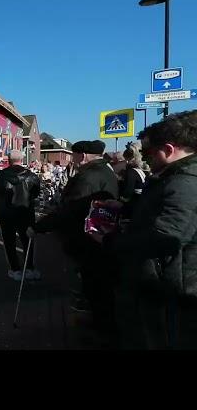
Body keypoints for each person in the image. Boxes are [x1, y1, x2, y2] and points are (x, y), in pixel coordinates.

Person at [97, 111, 197, 349]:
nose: (145, 158)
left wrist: (110, 242)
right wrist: (125, 208)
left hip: (174, 288)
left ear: (169, 150)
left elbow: (168, 235)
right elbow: (159, 210)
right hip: (165, 281)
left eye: (149, 152)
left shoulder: (185, 182)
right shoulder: (172, 177)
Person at [30, 139, 119, 341]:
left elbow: (71, 210)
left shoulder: (89, 177)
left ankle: (101, 331)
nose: (73, 159)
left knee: (95, 287)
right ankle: (99, 322)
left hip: (89, 238)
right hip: (100, 235)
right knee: (99, 288)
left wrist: (40, 226)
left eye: (74, 155)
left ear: (83, 155)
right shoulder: (106, 171)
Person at [0, 149, 41, 281]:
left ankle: (15, 270)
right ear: (22, 159)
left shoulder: (0, 175)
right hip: (25, 212)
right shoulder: (32, 175)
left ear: (8, 159)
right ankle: (29, 268)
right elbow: (36, 193)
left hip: (6, 213)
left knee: (9, 242)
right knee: (28, 240)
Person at [119, 141, 147, 219]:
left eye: (127, 158)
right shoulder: (140, 170)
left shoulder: (131, 172)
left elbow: (128, 192)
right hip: (140, 204)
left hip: (133, 206)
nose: (126, 161)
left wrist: (120, 201)